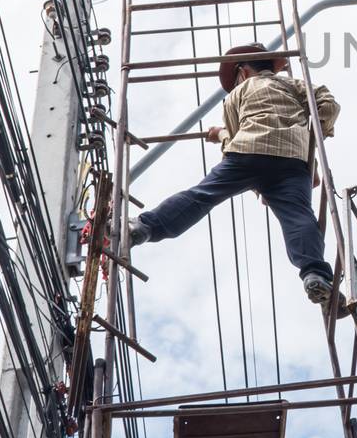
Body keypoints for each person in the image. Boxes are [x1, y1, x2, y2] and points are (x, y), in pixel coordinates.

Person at [128, 43, 342, 308]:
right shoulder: (296, 86)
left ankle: (144, 227)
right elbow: (329, 106)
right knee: (298, 216)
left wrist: (219, 135)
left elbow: (234, 136)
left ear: (242, 72)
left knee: (202, 196)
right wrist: (308, 132)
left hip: (248, 151)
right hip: (294, 160)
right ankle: (315, 274)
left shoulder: (237, 94)